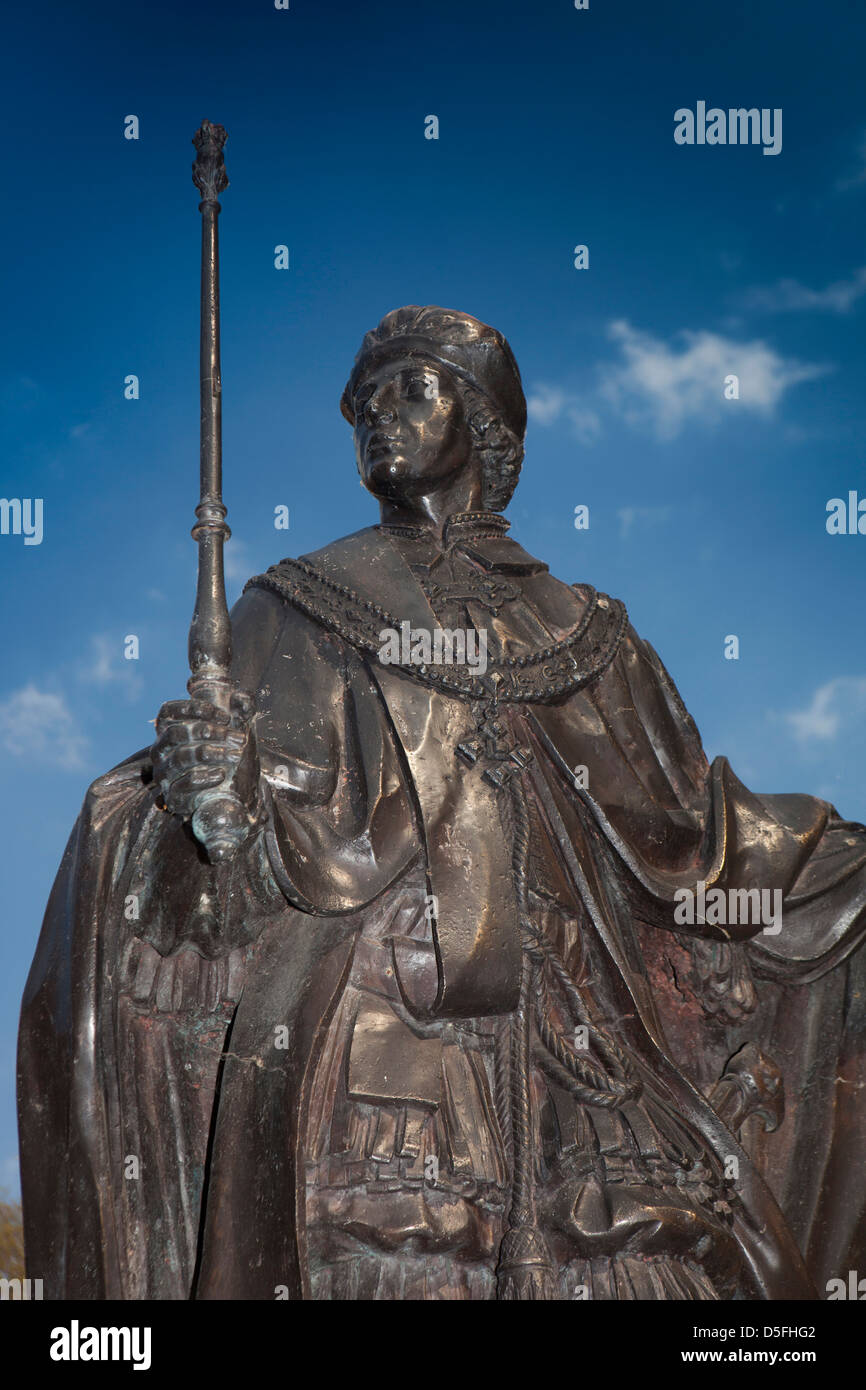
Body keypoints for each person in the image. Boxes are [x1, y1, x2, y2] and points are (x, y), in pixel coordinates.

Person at [19, 306, 866, 1300]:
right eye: (363, 404)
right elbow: (212, 896)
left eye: (409, 390)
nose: (378, 416)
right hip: (379, 1044)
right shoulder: (293, 605)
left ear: (484, 422)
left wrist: (821, 860)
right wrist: (217, 813)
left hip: (587, 1062)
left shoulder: (592, 633)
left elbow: (690, 830)